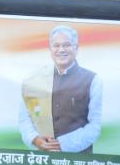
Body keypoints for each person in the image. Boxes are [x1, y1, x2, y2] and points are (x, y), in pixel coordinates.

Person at [18, 25, 103, 153]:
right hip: (43, 158)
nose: (61, 50)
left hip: (79, 160)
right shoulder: (35, 80)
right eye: (56, 46)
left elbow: (95, 126)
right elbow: (25, 117)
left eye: (67, 45)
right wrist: (35, 139)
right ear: (50, 49)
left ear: (76, 48)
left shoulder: (92, 80)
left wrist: (61, 144)